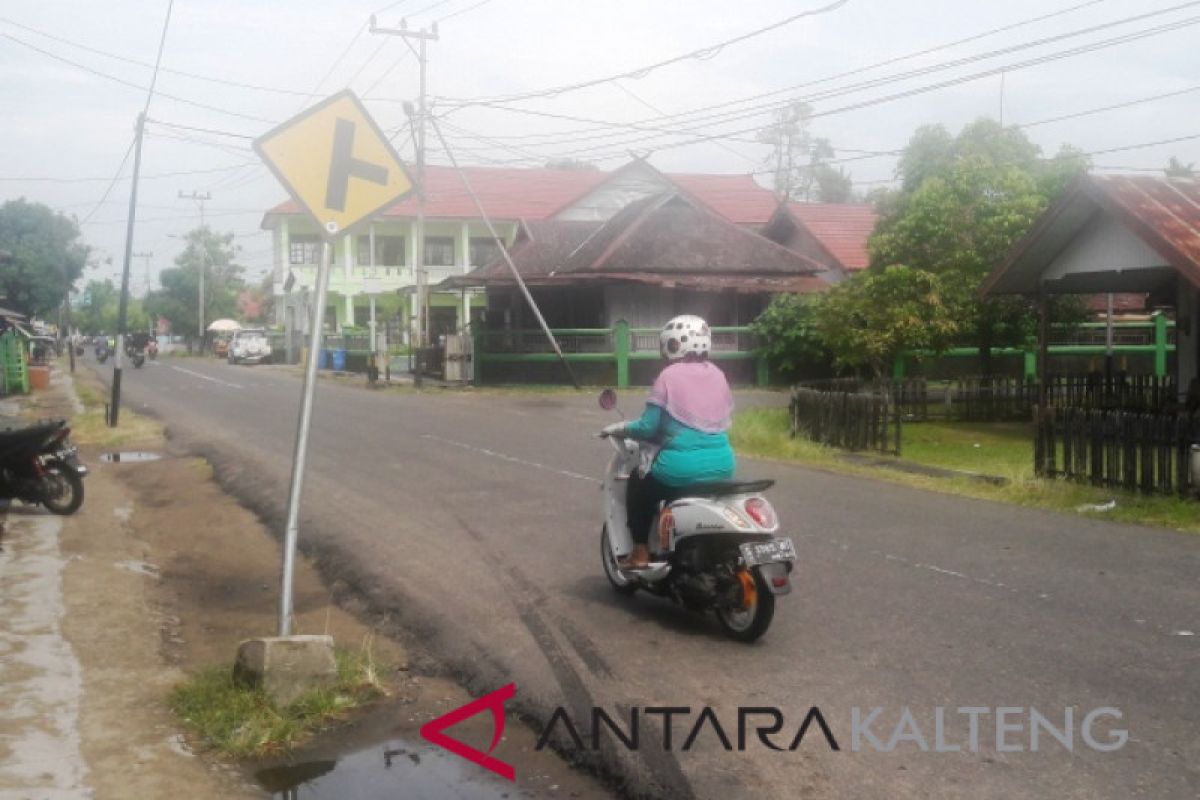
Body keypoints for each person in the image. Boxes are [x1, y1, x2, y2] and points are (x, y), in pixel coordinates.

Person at [601, 315, 735, 569]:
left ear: (671, 345)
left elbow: (648, 426)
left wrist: (620, 428)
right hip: (724, 466)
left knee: (639, 486)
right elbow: (715, 419)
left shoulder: (668, 376)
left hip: (680, 471)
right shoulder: (718, 375)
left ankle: (640, 552)